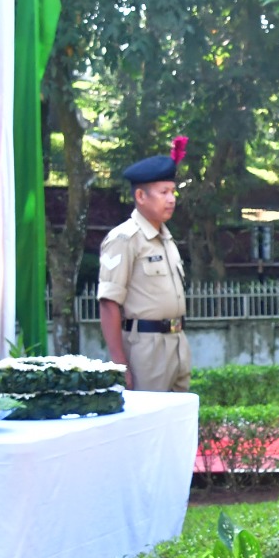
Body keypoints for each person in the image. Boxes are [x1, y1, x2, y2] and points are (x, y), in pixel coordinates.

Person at [98, 143, 190, 392]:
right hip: (145, 348)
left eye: (173, 192)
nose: (171, 199)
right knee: (149, 423)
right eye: (163, 192)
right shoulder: (125, 239)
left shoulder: (166, 239)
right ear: (141, 196)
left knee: (177, 422)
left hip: (176, 341)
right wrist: (120, 364)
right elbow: (109, 302)